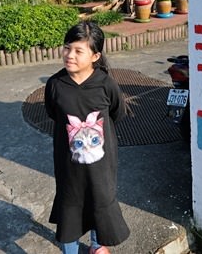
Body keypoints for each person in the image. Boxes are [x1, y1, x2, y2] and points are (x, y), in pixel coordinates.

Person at [45, 21, 130, 254]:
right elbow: (54, 113)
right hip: (68, 164)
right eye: (67, 48)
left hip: (101, 163)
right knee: (70, 208)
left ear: (95, 56)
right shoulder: (55, 85)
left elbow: (117, 113)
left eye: (78, 51)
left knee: (100, 201)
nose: (69, 55)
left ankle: (96, 245)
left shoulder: (105, 84)